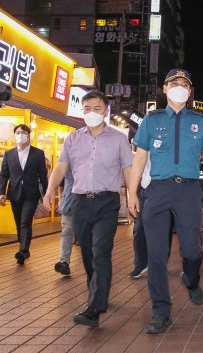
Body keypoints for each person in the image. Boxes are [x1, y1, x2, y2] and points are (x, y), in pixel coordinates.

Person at [127, 69, 203, 335]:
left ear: (190, 92)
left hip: (189, 191)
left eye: (184, 85)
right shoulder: (151, 121)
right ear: (164, 89)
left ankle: (191, 279)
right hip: (157, 191)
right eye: (174, 83)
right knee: (156, 256)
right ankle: (160, 311)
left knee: (192, 251)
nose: (179, 87)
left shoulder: (199, 121)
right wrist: (131, 193)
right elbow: (140, 159)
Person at [43, 90, 133, 327]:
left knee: (100, 251)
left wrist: (133, 196)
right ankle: (98, 293)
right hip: (80, 203)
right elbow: (61, 167)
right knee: (86, 254)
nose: (91, 113)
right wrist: (50, 189)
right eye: (86, 109)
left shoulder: (118, 139)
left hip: (107, 202)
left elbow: (128, 170)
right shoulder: (73, 138)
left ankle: (94, 306)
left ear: (105, 111)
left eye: (96, 108)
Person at [0, 124, 48, 265]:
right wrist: (1, 192)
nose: (21, 134)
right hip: (14, 193)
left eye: (24, 132)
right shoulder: (9, 154)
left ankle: (23, 251)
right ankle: (23, 246)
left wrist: (46, 194)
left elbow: (43, 176)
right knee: (18, 222)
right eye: (18, 132)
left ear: (29, 135)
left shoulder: (38, 153)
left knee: (25, 221)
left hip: (31, 194)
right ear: (15, 135)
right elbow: (4, 175)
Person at [54, 167, 74, 276]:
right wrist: (61, 200)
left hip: (87, 204)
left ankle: (95, 262)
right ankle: (64, 262)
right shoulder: (67, 162)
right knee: (66, 232)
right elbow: (61, 184)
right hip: (69, 203)